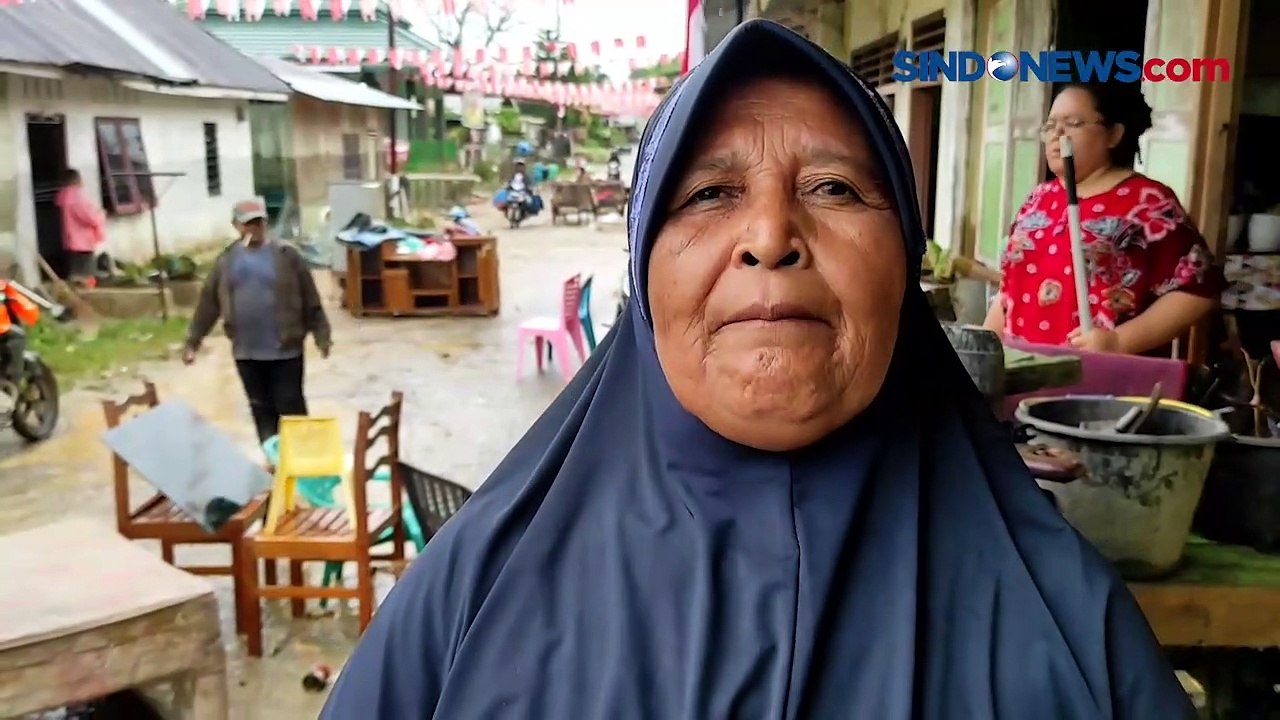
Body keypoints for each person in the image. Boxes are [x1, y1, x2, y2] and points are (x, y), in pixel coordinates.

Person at [322, 21, 1193, 719]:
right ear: (643, 271)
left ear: (905, 265)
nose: (771, 236)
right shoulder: (470, 598)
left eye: (836, 190)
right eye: (707, 194)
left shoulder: (1070, 622)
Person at [983, 82, 1223, 355]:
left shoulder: (1146, 201)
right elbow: (1010, 290)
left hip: (1098, 378)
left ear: (1114, 135)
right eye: (1050, 126)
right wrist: (983, 347)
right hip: (1020, 372)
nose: (1057, 134)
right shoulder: (1038, 199)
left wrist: (1118, 341)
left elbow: (1198, 290)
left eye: (1073, 123)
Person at [183, 199, 332, 445]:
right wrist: (193, 341)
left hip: (286, 350)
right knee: (261, 408)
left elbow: (310, 298)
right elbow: (209, 303)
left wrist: (321, 335)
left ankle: (302, 461)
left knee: (291, 405)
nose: (254, 229)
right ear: (236, 226)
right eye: (248, 224)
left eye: (259, 223)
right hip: (247, 352)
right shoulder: (227, 261)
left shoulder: (287, 256)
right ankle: (274, 461)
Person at [54, 168, 107, 285]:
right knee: (86, 274)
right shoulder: (77, 196)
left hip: (69, 240)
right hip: (82, 241)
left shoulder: (62, 196)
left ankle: (74, 292)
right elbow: (89, 217)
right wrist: (101, 214)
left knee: (73, 272)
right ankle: (86, 294)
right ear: (76, 180)